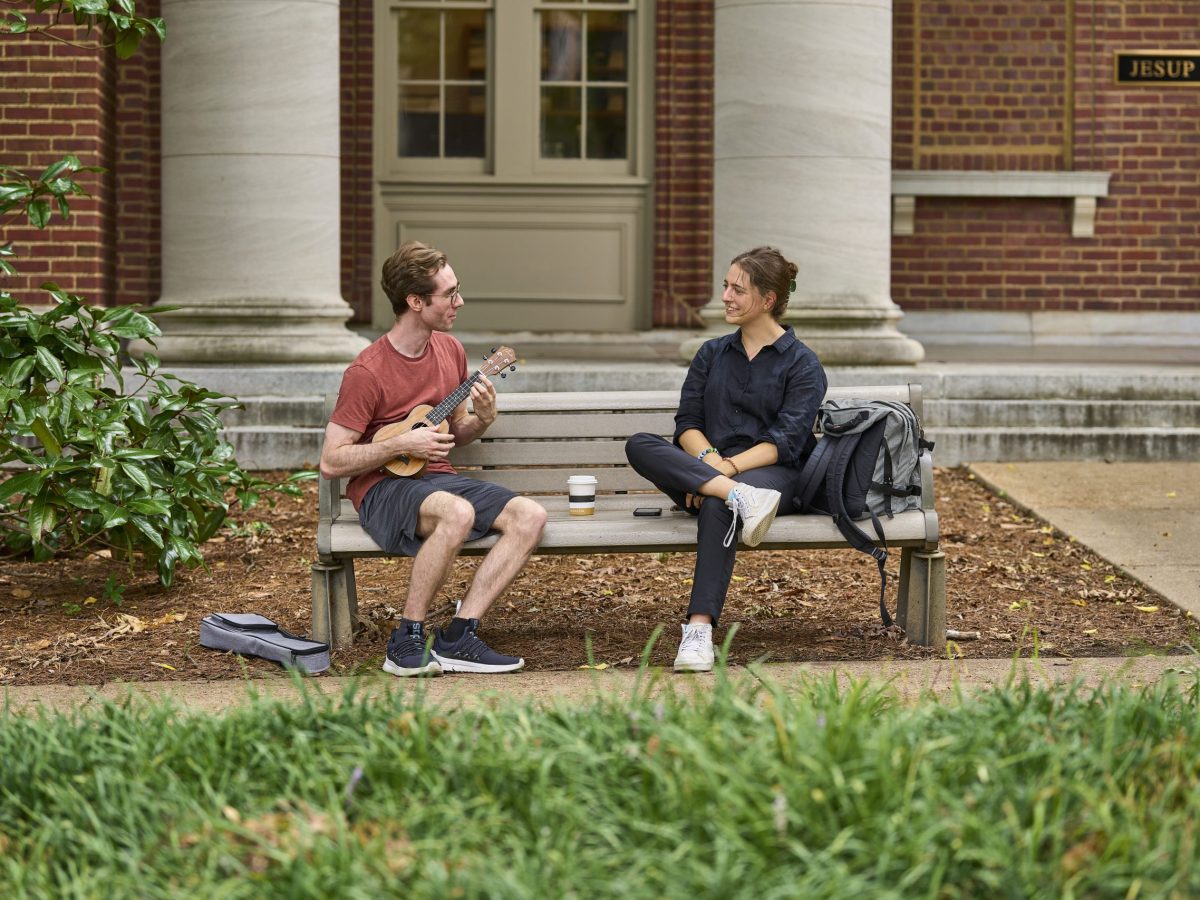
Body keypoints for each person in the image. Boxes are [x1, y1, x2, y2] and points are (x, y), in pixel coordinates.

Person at [319, 240, 547, 677]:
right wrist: (399, 446)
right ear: (415, 301)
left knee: (530, 516)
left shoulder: (450, 350)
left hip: (437, 480)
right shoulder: (367, 372)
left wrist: (482, 418)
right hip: (382, 488)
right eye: (449, 294)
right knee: (457, 513)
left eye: (457, 290)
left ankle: (460, 635)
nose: (459, 302)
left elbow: (454, 432)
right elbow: (331, 462)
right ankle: (405, 639)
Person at [625, 246, 827, 673]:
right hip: (712, 469)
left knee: (720, 501)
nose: (727, 296)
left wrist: (720, 473)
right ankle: (734, 495)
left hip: (775, 476)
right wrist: (712, 462)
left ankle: (698, 632)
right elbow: (687, 424)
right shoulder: (711, 353)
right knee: (640, 443)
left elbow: (787, 440)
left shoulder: (803, 363)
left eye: (738, 289)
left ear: (768, 300)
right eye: (726, 286)